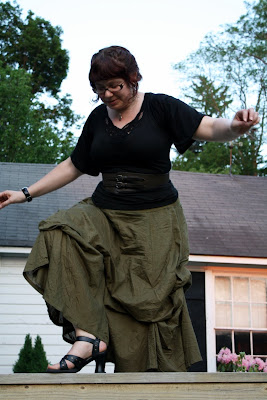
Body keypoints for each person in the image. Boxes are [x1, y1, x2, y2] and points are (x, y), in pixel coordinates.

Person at [0, 46, 259, 373]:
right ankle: (88, 336)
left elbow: (208, 128)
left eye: (115, 86)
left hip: (155, 221)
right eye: (99, 88)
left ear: (133, 80)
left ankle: (146, 380)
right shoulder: (97, 119)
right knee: (59, 231)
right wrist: (24, 193)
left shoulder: (160, 107)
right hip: (105, 212)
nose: (107, 95)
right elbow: (74, 164)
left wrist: (235, 127)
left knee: (148, 304)